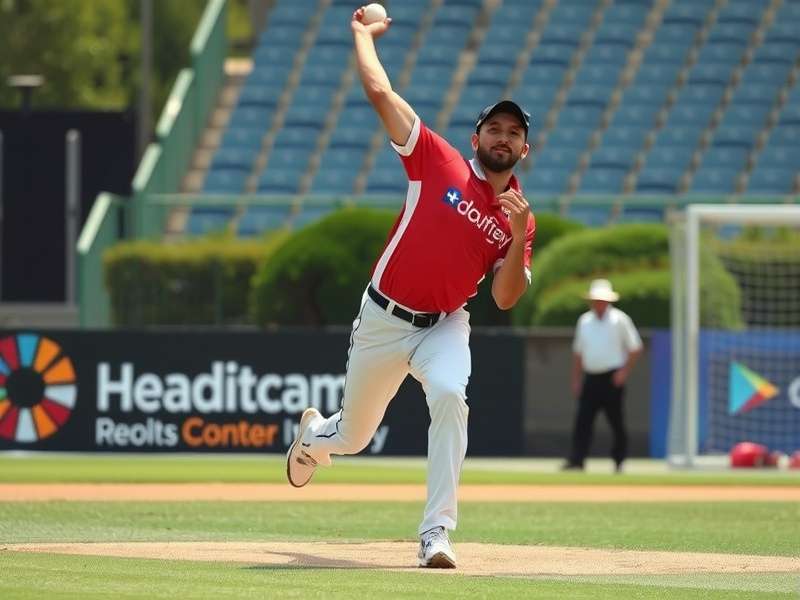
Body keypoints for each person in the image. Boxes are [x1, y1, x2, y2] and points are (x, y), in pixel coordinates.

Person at [286, 6, 536, 569]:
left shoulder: (521, 216)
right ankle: (310, 438)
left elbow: (503, 298)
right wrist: (362, 34)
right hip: (383, 317)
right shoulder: (438, 159)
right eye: (494, 127)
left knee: (450, 397)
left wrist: (518, 235)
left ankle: (436, 534)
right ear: (477, 136)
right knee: (351, 437)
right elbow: (379, 90)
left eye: (513, 132)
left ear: (525, 150)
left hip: (445, 323)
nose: (502, 136)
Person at [563, 279, 643, 473]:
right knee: (583, 421)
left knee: (616, 422)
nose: (599, 303)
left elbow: (635, 347)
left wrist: (623, 372)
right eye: (596, 300)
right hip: (591, 377)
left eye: (602, 300)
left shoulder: (620, 320)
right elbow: (578, 353)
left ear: (608, 301)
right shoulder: (584, 321)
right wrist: (576, 379)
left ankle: (619, 460)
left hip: (612, 378)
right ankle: (577, 461)